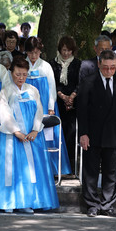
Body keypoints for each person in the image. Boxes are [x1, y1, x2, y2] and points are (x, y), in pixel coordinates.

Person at [0, 56, 59, 213]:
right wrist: (16, 131)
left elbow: (39, 110)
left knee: (30, 168)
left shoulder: (33, 90)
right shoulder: (5, 91)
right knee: (11, 167)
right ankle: (8, 202)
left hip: (31, 136)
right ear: (11, 73)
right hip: (11, 135)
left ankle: (29, 201)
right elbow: (3, 113)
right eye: (17, 74)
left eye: (24, 74)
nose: (21, 78)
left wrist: (35, 129)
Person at [78, 50, 116, 218]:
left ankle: (108, 205)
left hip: (113, 133)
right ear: (99, 64)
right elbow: (82, 110)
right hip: (93, 133)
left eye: (113, 68)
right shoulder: (88, 82)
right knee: (91, 170)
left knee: (111, 171)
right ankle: (92, 205)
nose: (109, 71)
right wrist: (83, 133)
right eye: (106, 67)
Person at [24, 36, 72, 176]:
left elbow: (51, 87)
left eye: (36, 52)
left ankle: (52, 168)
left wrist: (51, 105)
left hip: (44, 104)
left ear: (40, 52)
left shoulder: (46, 66)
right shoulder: (22, 65)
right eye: (30, 52)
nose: (33, 56)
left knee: (47, 135)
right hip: (27, 104)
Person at [48, 36, 81, 169]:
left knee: (71, 131)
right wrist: (62, 96)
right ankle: (57, 163)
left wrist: (72, 96)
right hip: (58, 101)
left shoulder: (78, 63)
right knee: (57, 131)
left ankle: (71, 162)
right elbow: (52, 83)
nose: (66, 53)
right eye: (64, 50)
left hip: (74, 102)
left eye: (69, 50)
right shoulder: (52, 63)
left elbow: (80, 82)